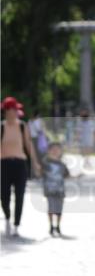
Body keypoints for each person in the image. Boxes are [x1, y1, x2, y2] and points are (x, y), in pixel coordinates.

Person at [2, 97, 41, 237]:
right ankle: (7, 217)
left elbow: (29, 145)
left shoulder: (22, 126)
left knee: (20, 196)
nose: (16, 112)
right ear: (7, 111)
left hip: (20, 164)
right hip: (4, 164)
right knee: (4, 196)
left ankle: (16, 225)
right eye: (13, 109)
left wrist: (35, 163)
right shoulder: (1, 127)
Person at [40, 142, 72, 237]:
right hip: (49, 190)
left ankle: (57, 225)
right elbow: (39, 173)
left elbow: (67, 175)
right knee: (50, 208)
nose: (55, 151)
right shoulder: (45, 163)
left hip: (60, 190)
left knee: (59, 209)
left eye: (57, 150)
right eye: (53, 149)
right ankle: (51, 226)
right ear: (49, 151)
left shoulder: (62, 165)